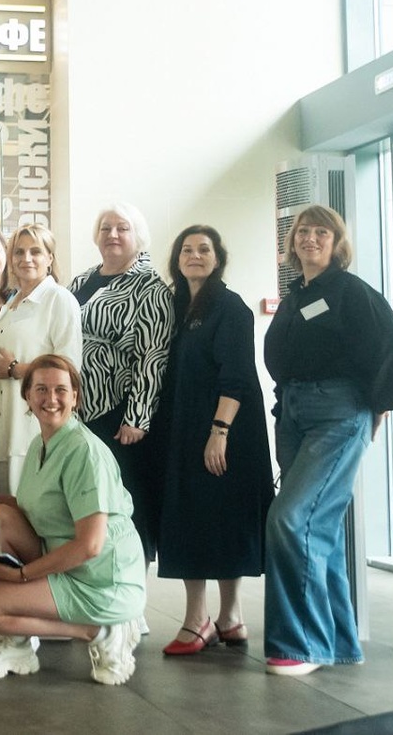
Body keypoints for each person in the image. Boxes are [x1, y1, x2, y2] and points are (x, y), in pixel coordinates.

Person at [262, 205, 393, 676]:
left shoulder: (351, 292)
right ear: (293, 242)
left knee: (291, 519)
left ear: (336, 243)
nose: (310, 238)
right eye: (303, 231)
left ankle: (303, 645)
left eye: (321, 232)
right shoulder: (296, 296)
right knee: (317, 530)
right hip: (294, 414)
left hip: (338, 413)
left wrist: (379, 408)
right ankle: (339, 641)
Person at [0, 355, 146, 686]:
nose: (51, 398)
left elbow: (90, 546)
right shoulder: (40, 445)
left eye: (61, 390)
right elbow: (35, 507)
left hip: (101, 579)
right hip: (65, 559)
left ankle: (99, 631)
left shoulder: (84, 450)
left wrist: (21, 576)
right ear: (27, 396)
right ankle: (17, 645)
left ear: (75, 396)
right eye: (41, 389)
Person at [156, 226, 274, 655]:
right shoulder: (175, 305)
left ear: (218, 258)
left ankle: (209, 619)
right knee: (194, 517)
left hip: (223, 429)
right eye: (186, 249)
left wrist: (218, 433)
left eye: (204, 249)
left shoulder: (230, 306)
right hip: (185, 428)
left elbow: (236, 377)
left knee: (222, 519)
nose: (195, 255)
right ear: (176, 259)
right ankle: (221, 619)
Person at [68, 203, 173, 562]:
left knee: (126, 500)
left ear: (137, 236)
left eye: (122, 228)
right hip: (79, 411)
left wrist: (137, 418)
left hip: (119, 412)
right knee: (89, 499)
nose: (112, 234)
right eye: (106, 228)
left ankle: (130, 581)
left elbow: (153, 356)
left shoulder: (150, 286)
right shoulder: (83, 280)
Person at [0, 225, 81, 495]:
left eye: (35, 252)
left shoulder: (59, 299)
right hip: (1, 425)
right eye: (19, 252)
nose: (26, 259)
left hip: (30, 426)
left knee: (26, 505)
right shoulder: (11, 303)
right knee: (0, 507)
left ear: (50, 258)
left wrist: (17, 369)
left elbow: (69, 367)